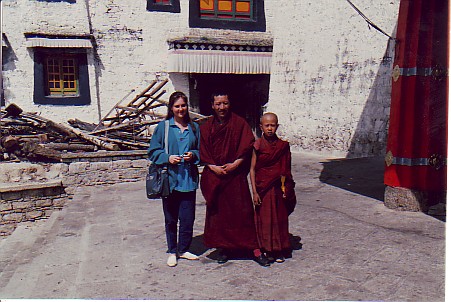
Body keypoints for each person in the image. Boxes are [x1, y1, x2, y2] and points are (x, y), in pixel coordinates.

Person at [199, 92, 270, 267]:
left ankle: (254, 248)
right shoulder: (206, 127)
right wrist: (213, 167)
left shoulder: (239, 124)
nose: (221, 107)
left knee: (243, 212)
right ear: (212, 105)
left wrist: (236, 164)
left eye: (225, 103)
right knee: (219, 215)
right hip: (217, 176)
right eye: (218, 104)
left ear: (230, 104)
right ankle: (224, 248)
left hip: (235, 176)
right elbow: (203, 150)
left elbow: (247, 147)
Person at [148, 91, 200, 267]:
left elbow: (201, 150)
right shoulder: (164, 127)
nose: (181, 109)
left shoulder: (194, 128)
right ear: (171, 108)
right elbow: (153, 151)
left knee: (188, 217)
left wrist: (193, 155)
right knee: (171, 218)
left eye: (183, 106)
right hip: (169, 180)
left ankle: (183, 249)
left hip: (188, 179)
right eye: (177, 106)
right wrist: (168, 158)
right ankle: (172, 250)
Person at [250, 112, 297, 263]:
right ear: (261, 127)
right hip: (263, 188)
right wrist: (254, 192)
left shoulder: (282, 146)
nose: (270, 128)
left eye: (273, 125)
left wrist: (286, 188)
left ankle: (279, 249)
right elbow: (252, 169)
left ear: (277, 126)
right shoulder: (257, 145)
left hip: (278, 188)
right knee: (265, 219)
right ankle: (267, 248)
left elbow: (286, 170)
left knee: (278, 218)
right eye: (267, 125)